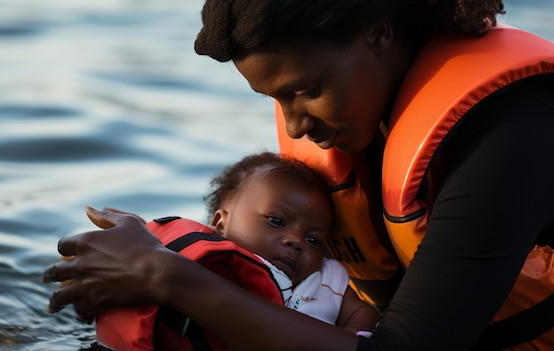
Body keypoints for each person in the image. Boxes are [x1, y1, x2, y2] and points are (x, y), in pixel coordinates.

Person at [43, 0, 554, 350]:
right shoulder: (357, 118)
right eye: (277, 100)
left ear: (376, 33)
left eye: (305, 90)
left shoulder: (512, 131)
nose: (293, 124)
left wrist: (164, 274)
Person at [94, 152, 380, 350]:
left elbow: (363, 313)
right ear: (220, 223)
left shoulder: (323, 281)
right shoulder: (204, 265)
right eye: (276, 222)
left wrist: (349, 335)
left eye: (314, 240)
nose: (296, 241)